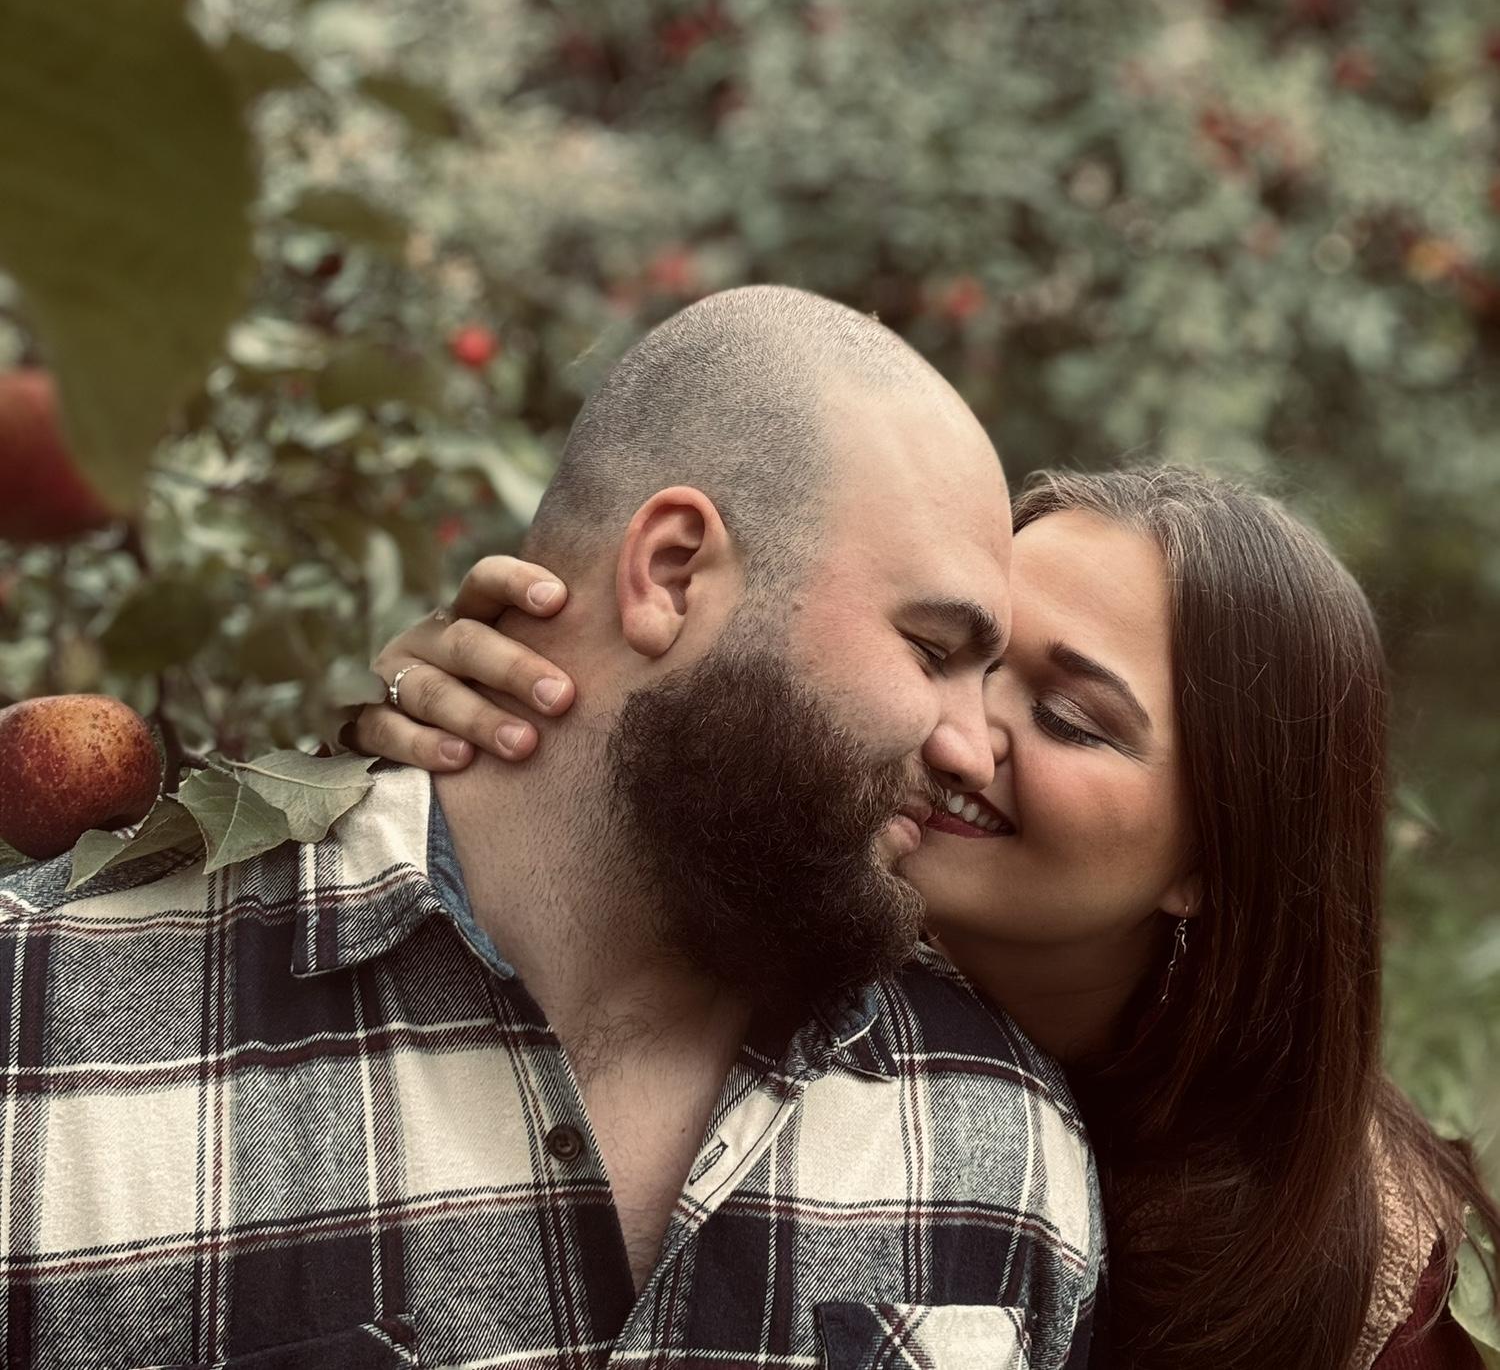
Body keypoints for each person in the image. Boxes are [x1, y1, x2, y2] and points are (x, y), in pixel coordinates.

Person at [0, 287, 1101, 1368]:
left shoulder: (1000, 1146)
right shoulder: (43, 1035)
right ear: (670, 574)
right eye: (935, 649)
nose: (975, 747)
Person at [354, 461, 1500, 1370]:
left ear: (1214, 859)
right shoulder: (777, 893)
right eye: (951, 652)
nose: (953, 731)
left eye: (1068, 716)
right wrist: (462, 741)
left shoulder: (1365, 1286)